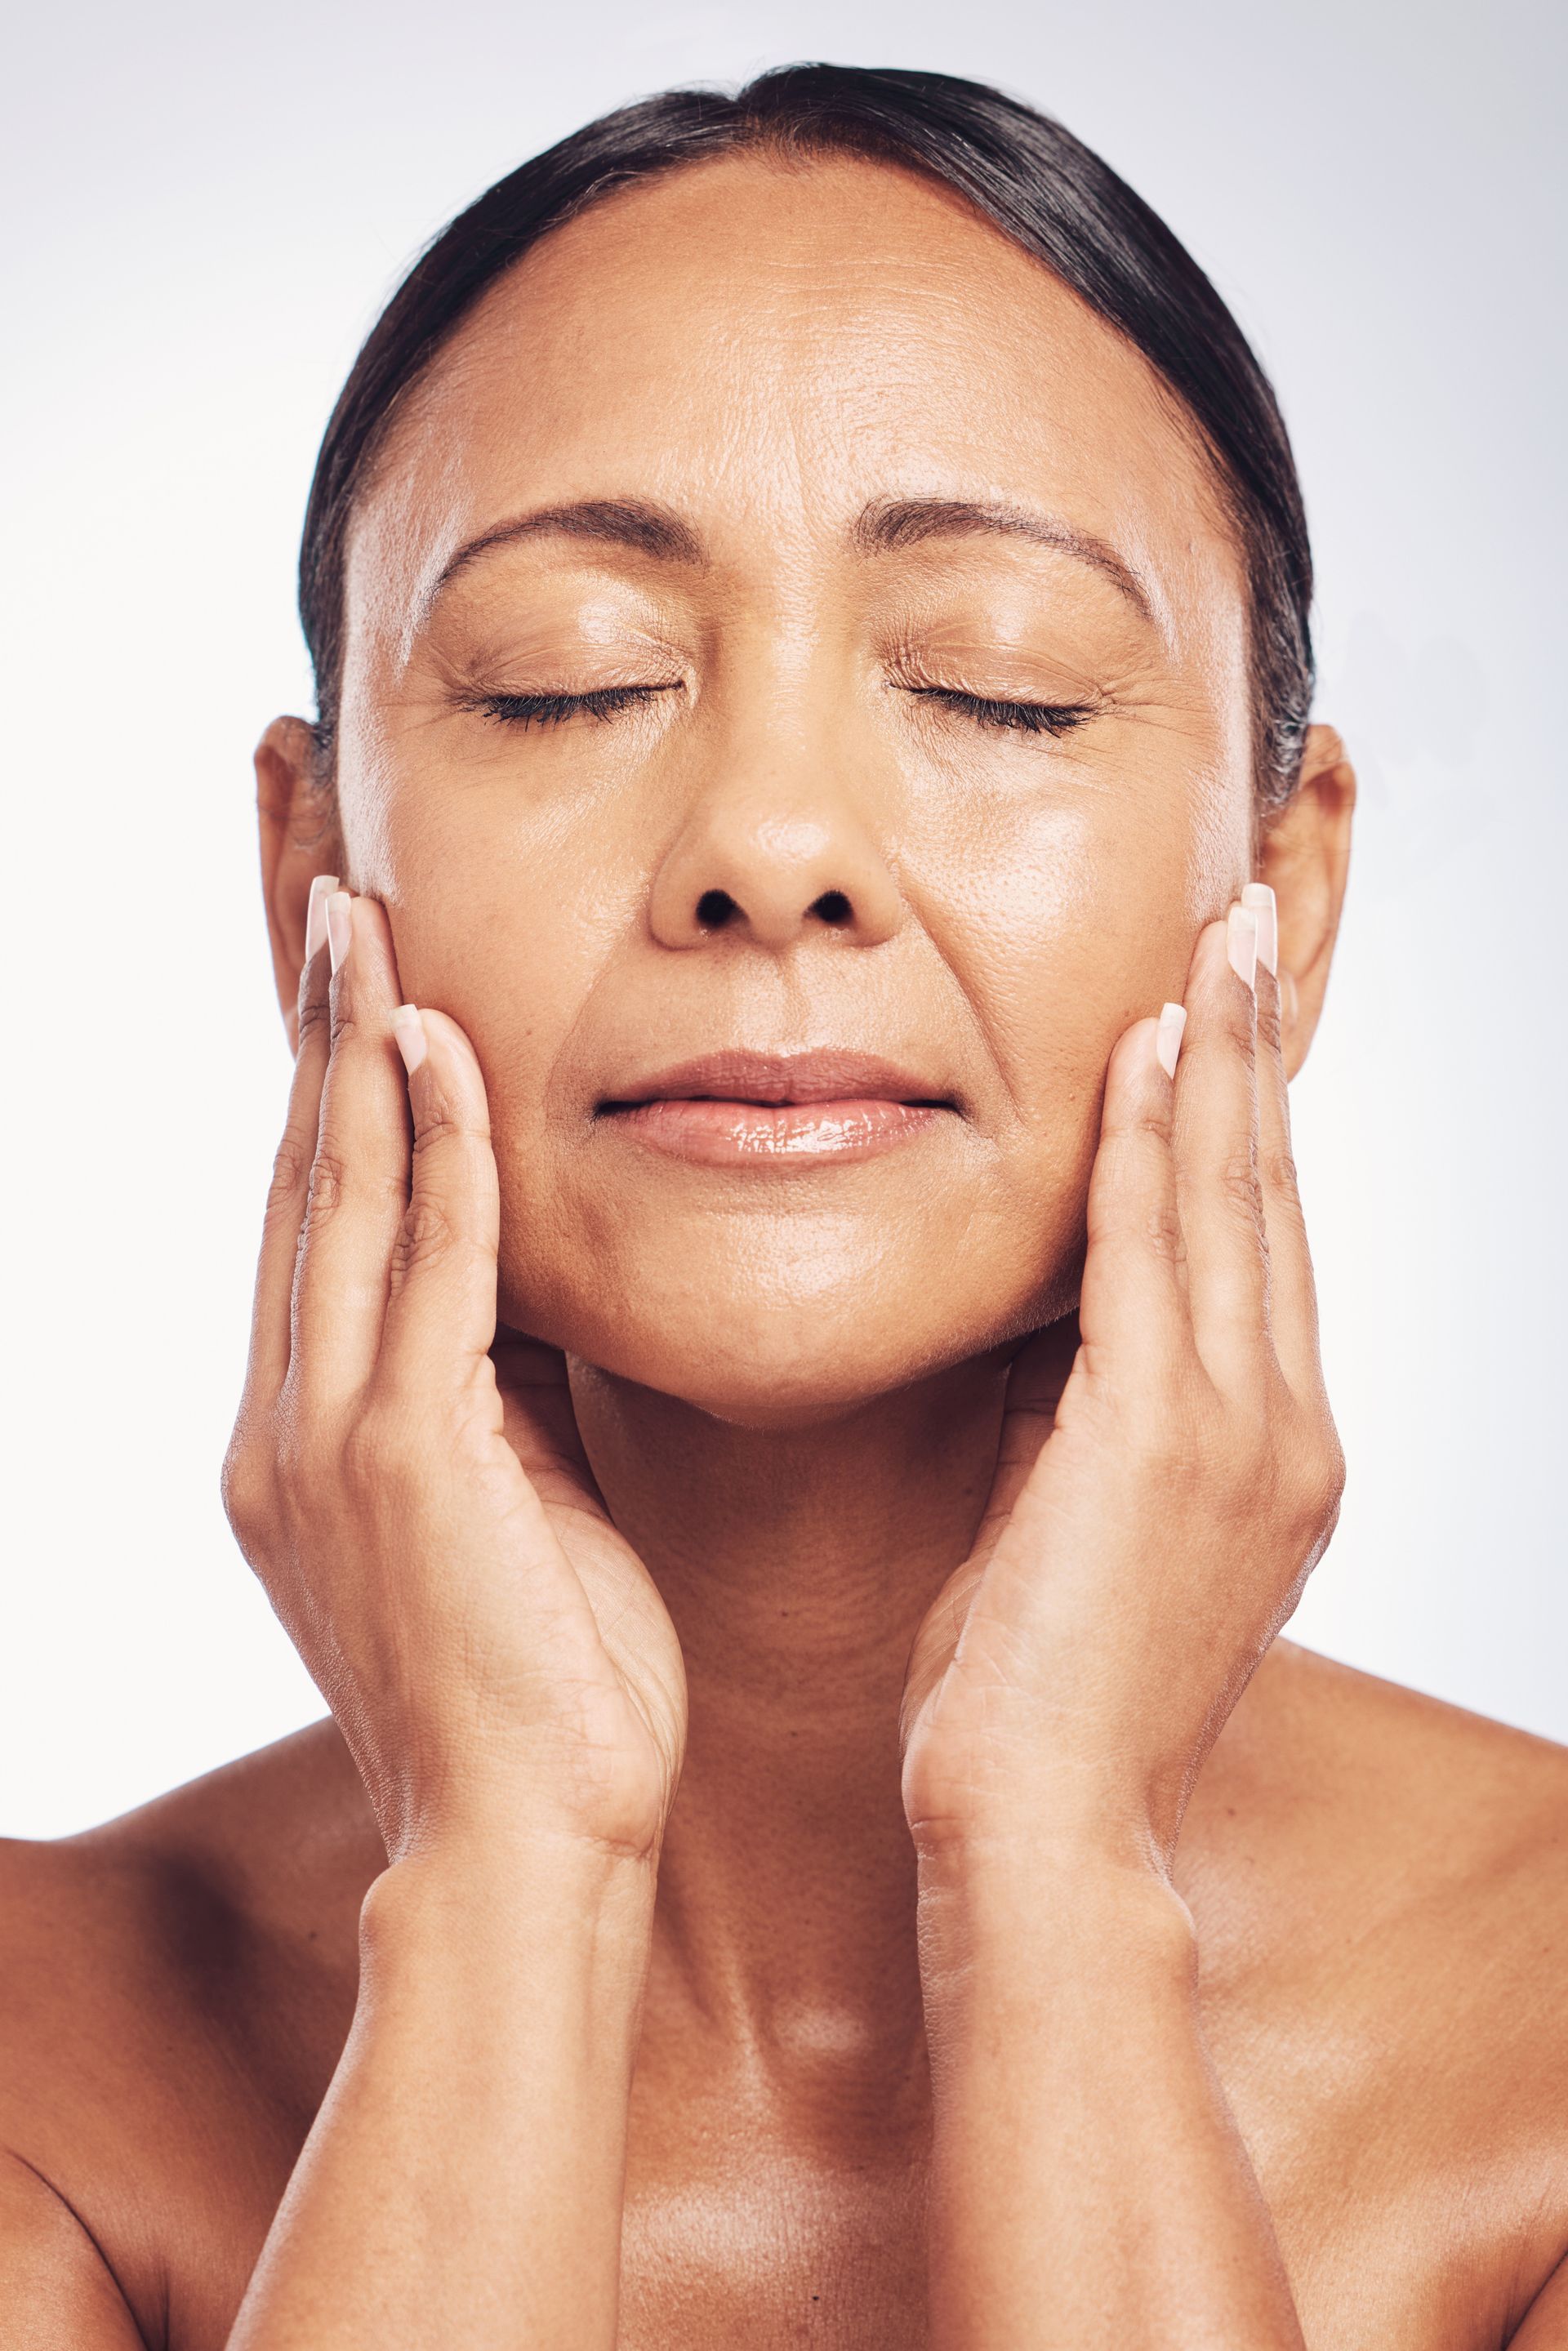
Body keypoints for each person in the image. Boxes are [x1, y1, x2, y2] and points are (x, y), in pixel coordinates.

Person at [2, 60, 1565, 2350]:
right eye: (570, 685)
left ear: (1286, 894)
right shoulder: (51, 2061)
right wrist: (507, 1874)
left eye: (997, 689)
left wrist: (1052, 1868)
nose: (777, 840)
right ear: (314, 876)